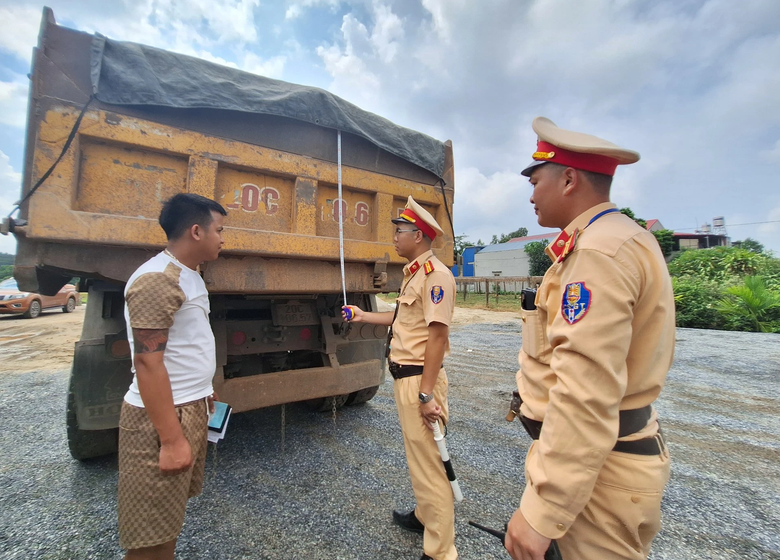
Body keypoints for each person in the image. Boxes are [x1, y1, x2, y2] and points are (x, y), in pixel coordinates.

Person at [505, 117, 675, 560]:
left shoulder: (597, 253)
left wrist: (544, 508)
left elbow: (585, 391)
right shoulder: (619, 238)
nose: (530, 194)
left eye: (536, 180)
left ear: (567, 179)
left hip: (600, 476)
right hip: (605, 463)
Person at [342, 196, 458, 560]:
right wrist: (362, 316)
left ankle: (441, 551)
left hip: (419, 381)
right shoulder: (415, 275)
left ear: (419, 236)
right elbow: (403, 320)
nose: (394, 238)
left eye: (400, 232)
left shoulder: (436, 276)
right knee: (420, 458)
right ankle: (425, 516)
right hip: (407, 379)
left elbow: (437, 336)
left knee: (429, 465)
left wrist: (426, 396)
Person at [117, 193, 226, 560]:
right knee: (149, 536)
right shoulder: (158, 280)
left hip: (188, 405)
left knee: (166, 520)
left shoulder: (189, 274)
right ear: (196, 231)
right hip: (160, 419)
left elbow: (186, 343)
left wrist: (203, 390)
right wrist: (170, 439)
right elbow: (148, 363)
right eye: (219, 230)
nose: (223, 238)